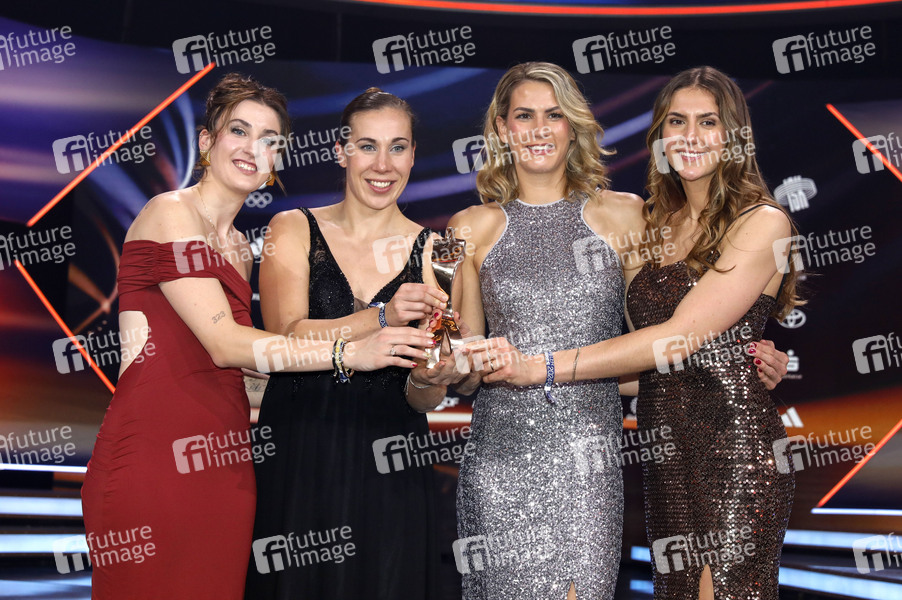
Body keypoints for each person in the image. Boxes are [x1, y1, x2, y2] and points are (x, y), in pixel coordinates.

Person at [80, 74, 433, 600]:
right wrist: (351, 351)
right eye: (238, 131)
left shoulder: (240, 251)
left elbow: (234, 366)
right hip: (154, 458)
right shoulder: (171, 212)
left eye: (269, 139)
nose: (252, 148)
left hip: (226, 465)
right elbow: (224, 343)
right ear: (207, 141)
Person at [467, 66, 800, 600]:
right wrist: (739, 355)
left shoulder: (763, 222)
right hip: (665, 455)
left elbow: (679, 335)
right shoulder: (659, 225)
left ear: (735, 134)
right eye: (677, 121)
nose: (690, 136)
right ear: (660, 135)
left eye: (709, 122)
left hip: (733, 450)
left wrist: (541, 366)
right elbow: (645, 363)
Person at [245, 88, 468, 600]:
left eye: (397, 147)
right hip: (300, 448)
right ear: (341, 151)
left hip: (391, 460)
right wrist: (381, 316)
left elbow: (424, 394)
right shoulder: (292, 227)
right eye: (367, 146)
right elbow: (283, 339)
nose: (382, 164)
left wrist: (433, 377)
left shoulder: (440, 252)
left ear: (413, 155)